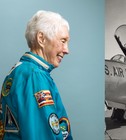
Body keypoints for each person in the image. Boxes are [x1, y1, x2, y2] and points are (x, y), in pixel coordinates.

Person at [0, 10, 73, 140]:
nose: (67, 50)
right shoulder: (35, 76)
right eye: (63, 41)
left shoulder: (19, 71)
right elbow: (42, 135)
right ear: (41, 38)